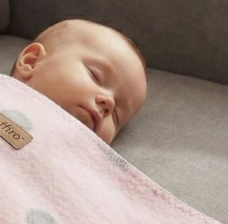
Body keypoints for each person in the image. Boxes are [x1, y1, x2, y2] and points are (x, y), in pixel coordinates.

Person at [10, 19, 147, 145]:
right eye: (95, 76)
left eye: (116, 117)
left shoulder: (81, 159)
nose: (109, 103)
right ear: (32, 61)